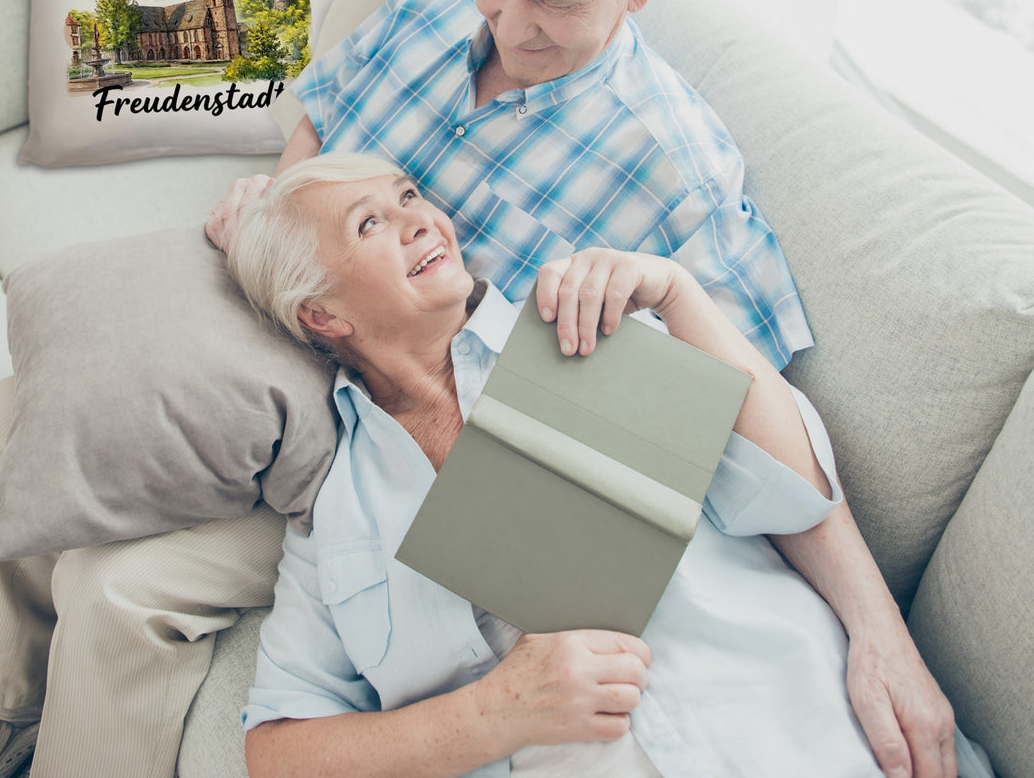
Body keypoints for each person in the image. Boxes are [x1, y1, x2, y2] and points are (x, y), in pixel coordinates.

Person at [208, 0, 956, 777]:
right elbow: (322, 110)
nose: (509, 27)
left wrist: (878, 632)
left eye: (552, 2)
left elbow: (764, 449)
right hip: (314, 400)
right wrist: (283, 222)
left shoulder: (652, 220)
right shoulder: (429, 14)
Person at [228, 152, 980, 778]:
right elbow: (278, 751)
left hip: (808, 731)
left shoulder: (582, 326)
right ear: (322, 314)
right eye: (371, 223)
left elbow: (792, 493)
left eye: (409, 196)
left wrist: (679, 295)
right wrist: (493, 713)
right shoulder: (337, 516)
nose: (421, 219)